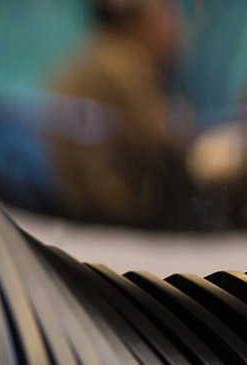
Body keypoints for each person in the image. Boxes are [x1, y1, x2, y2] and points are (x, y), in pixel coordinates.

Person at [45, 0, 195, 228]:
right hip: (112, 221)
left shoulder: (86, 59)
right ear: (137, 21)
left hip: (83, 214)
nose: (176, 27)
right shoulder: (123, 66)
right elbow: (172, 143)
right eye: (166, 13)